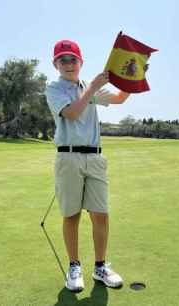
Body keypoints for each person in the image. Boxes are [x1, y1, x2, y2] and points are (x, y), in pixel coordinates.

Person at [45, 39, 130, 292]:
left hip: (94, 158)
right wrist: (93, 86)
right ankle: (74, 267)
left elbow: (120, 99)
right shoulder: (54, 87)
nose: (69, 64)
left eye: (73, 59)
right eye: (63, 60)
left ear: (80, 62)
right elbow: (72, 113)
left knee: (101, 214)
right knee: (71, 215)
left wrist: (130, 78)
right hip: (68, 157)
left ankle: (100, 267)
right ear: (56, 64)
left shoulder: (87, 87)